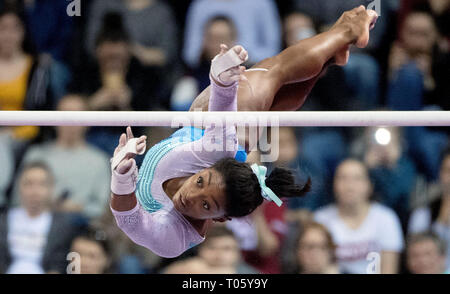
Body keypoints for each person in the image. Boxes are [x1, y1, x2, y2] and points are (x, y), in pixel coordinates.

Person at [111, 6, 379, 258]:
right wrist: (222, 83)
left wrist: (121, 176)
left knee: (280, 99)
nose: (191, 196)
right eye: (201, 184)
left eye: (205, 202)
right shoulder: (214, 156)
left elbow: (130, 220)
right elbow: (220, 119)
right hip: (228, 129)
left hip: (214, 129)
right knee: (277, 70)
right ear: (219, 218)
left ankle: (331, 55)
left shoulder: (173, 230)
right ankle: (346, 30)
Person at [12, 95, 111, 220]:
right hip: (37, 222)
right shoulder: (36, 155)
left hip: (82, 227)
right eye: (65, 114)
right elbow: (17, 201)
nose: (70, 121)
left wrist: (80, 209)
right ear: (54, 119)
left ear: (89, 122)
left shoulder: (99, 161)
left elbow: (103, 208)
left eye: (77, 115)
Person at [314, 159, 404, 274]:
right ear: (333, 185)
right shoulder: (321, 220)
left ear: (370, 185)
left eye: (357, 178)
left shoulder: (386, 218)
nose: (349, 186)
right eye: (343, 178)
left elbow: (389, 270)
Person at [0, 3, 70, 144]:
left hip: (25, 135)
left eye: (15, 29)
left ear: (24, 32)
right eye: (3, 28)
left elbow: (40, 111)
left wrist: (11, 132)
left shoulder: (37, 67)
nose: (8, 35)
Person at [0, 162, 79, 274]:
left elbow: (60, 264)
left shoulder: (62, 226)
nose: (34, 191)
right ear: (19, 187)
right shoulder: (4, 220)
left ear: (51, 188)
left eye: (42, 184)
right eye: (28, 184)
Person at [183, 0, 281, 67]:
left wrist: (238, 57)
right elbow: (190, 54)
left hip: (250, 69)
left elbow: (273, 51)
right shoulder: (201, 5)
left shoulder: (262, 3)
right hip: (207, 69)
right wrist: (216, 54)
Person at [409, 147, 450, 268]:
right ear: (440, 174)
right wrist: (441, 223)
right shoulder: (422, 215)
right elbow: (416, 258)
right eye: (448, 171)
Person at [163, 225, 258, 274]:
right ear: (200, 250)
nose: (218, 253)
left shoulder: (249, 272)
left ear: (238, 253)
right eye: (212, 247)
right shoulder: (184, 267)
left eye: (226, 249)